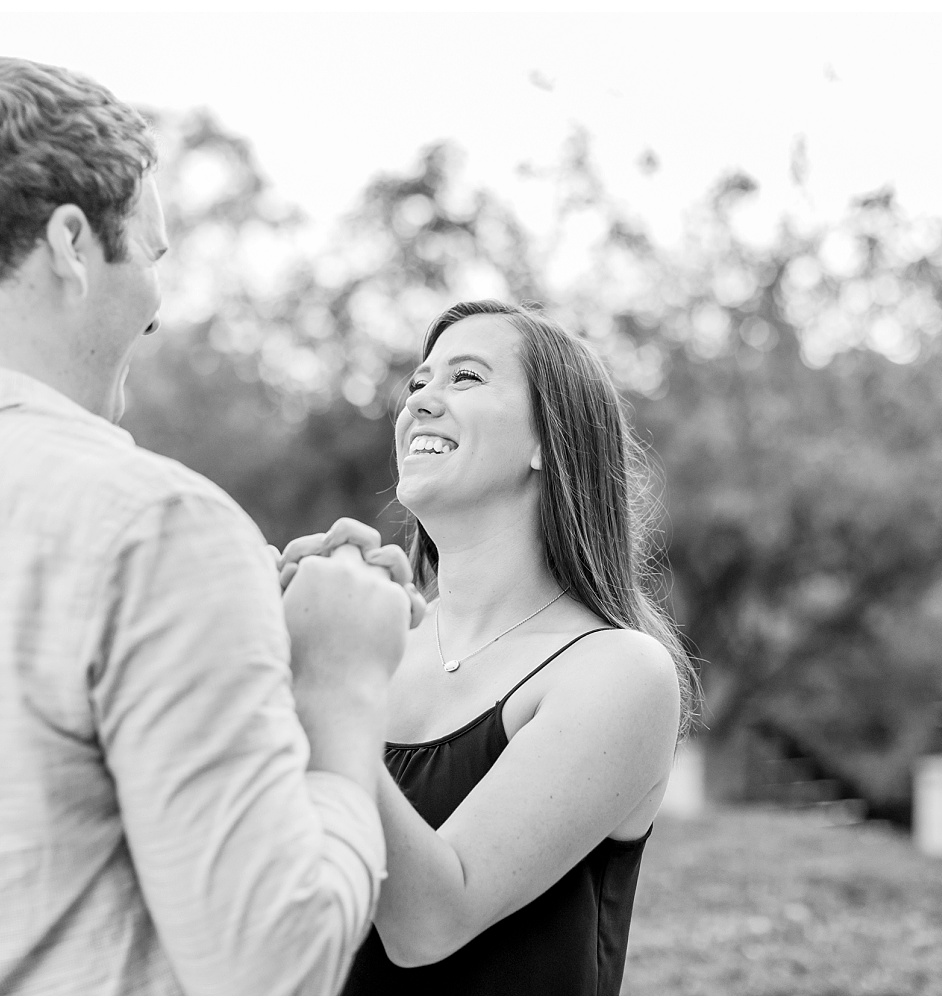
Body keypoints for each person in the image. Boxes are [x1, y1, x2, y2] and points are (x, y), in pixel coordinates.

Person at [0, 56, 419, 996]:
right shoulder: (155, 525)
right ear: (69, 244)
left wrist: (230, 639)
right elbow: (276, 963)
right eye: (150, 252)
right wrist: (339, 683)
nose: (156, 303)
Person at [279, 300, 697, 995]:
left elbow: (429, 926)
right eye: (417, 385)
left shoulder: (618, 671)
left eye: (465, 379)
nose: (420, 403)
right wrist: (258, 660)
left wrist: (327, 683)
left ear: (547, 441)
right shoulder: (372, 647)